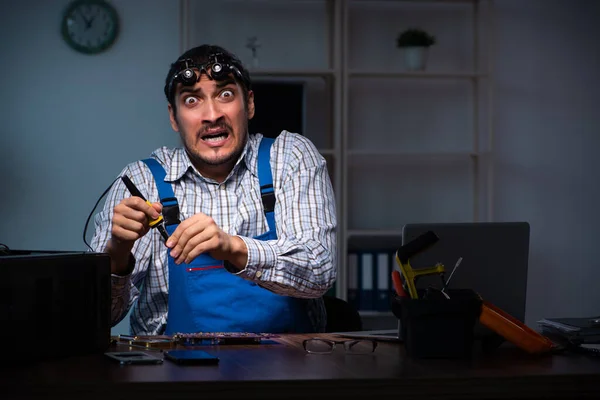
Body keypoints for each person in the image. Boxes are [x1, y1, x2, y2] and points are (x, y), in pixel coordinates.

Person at [90, 44, 337, 336]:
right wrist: (117, 254)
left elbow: (320, 271)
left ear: (250, 104)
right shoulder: (140, 182)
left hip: (287, 369)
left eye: (225, 95)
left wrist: (232, 247)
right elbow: (94, 319)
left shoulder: (290, 158)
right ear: (173, 116)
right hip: (171, 372)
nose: (212, 115)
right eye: (192, 100)